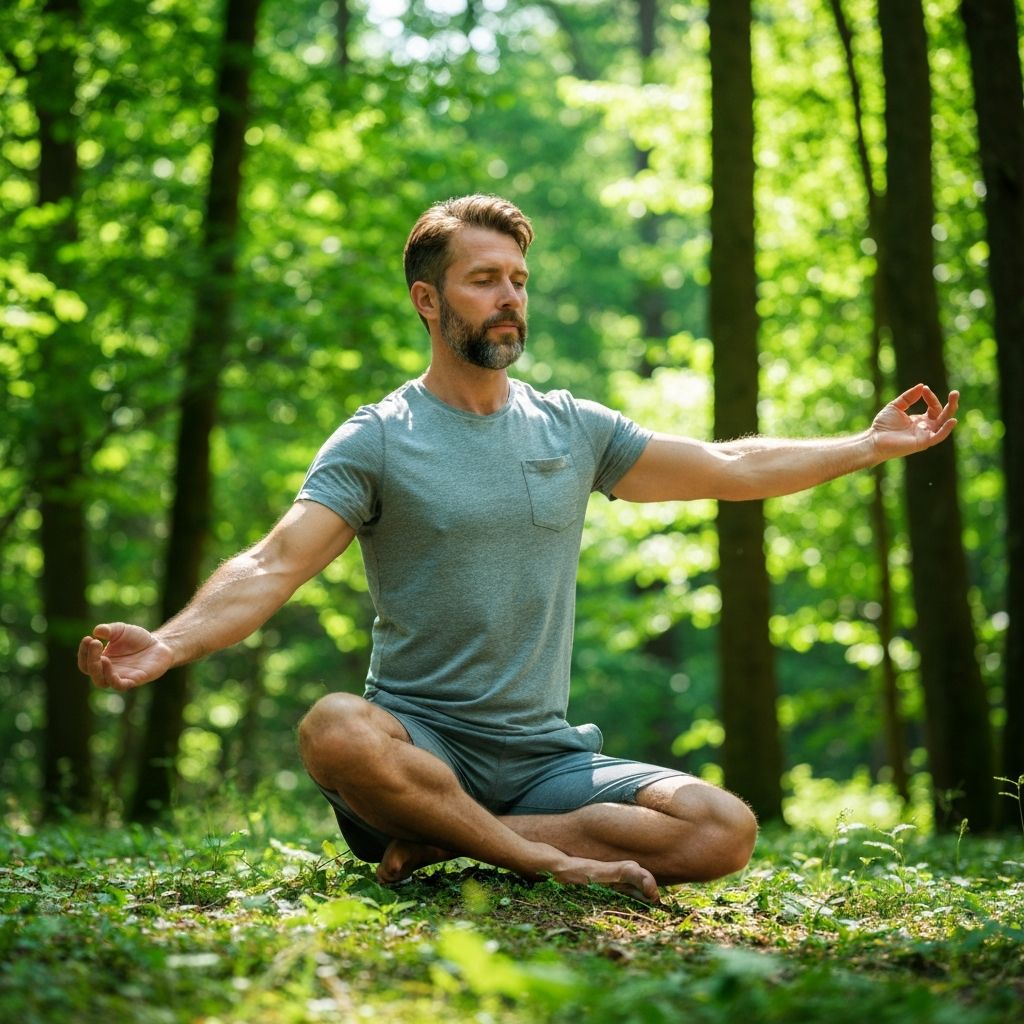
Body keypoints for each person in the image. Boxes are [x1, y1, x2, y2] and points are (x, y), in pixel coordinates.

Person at [79, 194, 958, 903]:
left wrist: (865, 445)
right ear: (429, 300)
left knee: (721, 827)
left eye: (519, 280)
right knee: (335, 728)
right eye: (484, 280)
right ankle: (528, 856)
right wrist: (170, 642)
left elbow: (728, 464)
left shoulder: (572, 426)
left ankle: (448, 843)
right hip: (420, 749)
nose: (510, 298)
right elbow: (275, 561)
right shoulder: (377, 439)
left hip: (546, 759)